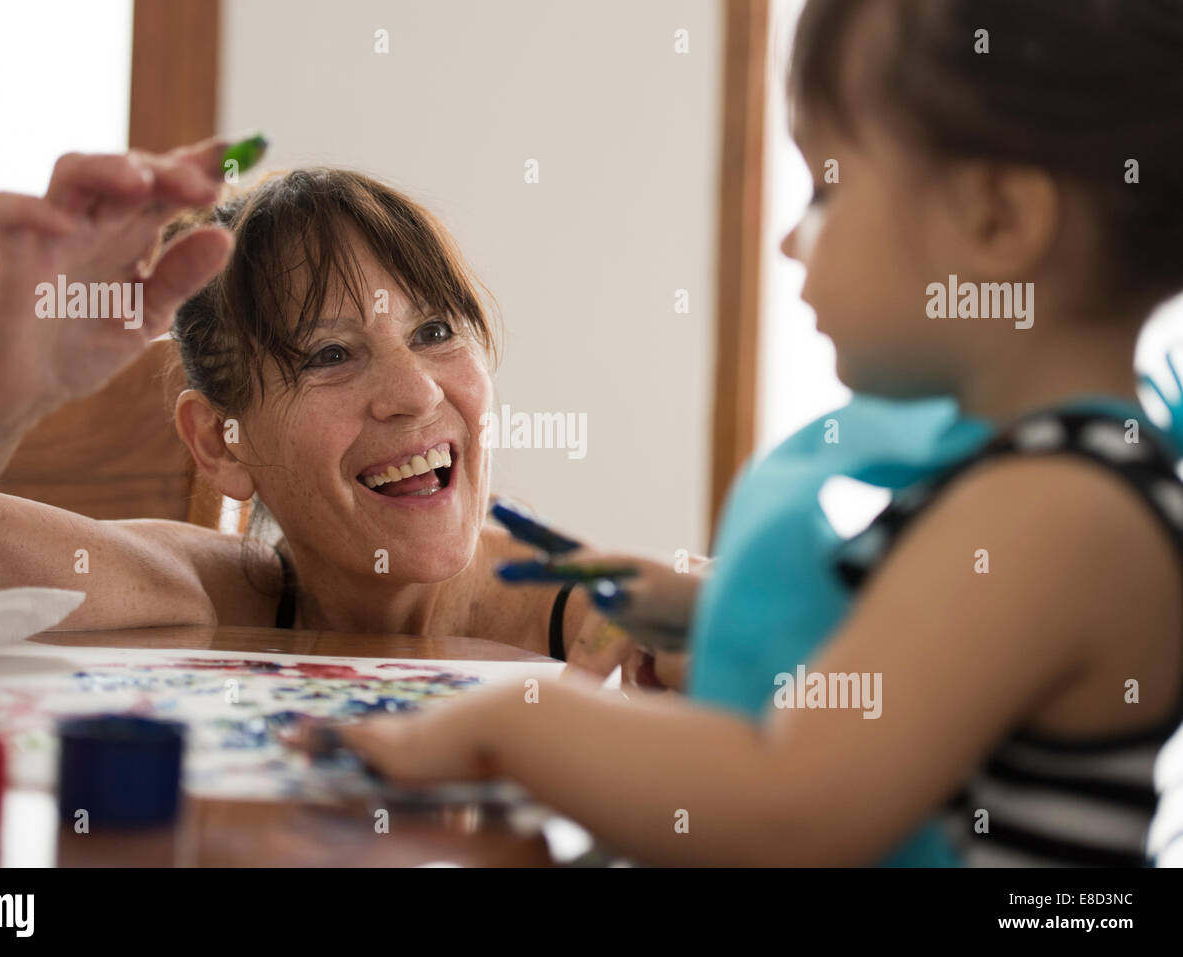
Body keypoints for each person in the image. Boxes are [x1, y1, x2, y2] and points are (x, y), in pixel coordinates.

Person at [337, 0, 1183, 866]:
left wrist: (515, 722)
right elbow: (921, 680)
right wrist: (704, 611)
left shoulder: (1054, 507)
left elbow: (790, 803)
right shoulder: (1056, 477)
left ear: (998, 219)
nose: (786, 239)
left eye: (827, 186)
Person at [0, 143, 653, 678]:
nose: (416, 392)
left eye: (434, 331)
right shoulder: (210, 595)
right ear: (221, 443)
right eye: (329, 355)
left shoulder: (599, 616)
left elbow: (749, 643)